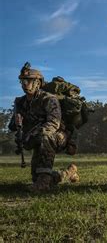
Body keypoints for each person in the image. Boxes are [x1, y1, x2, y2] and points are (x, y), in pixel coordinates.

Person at [8, 63, 79, 192]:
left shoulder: (48, 99)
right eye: (23, 81)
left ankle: (44, 182)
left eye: (29, 81)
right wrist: (17, 122)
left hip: (57, 136)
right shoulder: (21, 102)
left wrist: (32, 134)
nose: (25, 84)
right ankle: (68, 173)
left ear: (38, 83)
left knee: (45, 135)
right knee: (36, 176)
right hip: (37, 139)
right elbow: (13, 126)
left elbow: (53, 124)